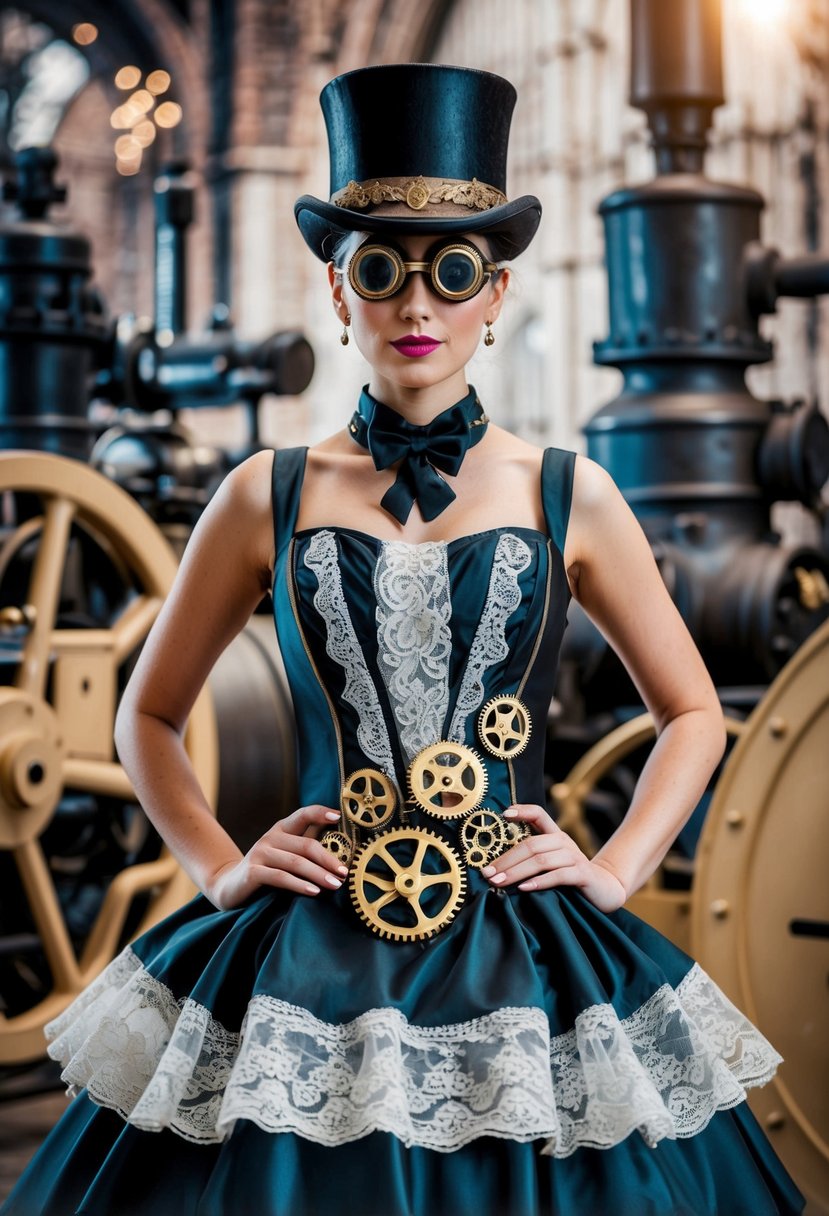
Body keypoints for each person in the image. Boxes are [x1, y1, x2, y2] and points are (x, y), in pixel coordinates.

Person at [2, 63, 804, 1216]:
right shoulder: (257, 494)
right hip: (302, 945)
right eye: (381, 270)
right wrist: (220, 868)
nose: (416, 305)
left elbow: (689, 711)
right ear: (338, 292)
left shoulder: (568, 489)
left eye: (453, 270)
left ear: (497, 292)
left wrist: (614, 870)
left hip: (522, 943)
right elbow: (147, 717)